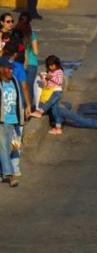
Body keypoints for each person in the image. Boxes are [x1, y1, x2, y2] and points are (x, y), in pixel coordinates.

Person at [0, 56, 25, 187]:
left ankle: (2, 172)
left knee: (9, 148)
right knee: (4, 148)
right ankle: (10, 175)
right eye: (8, 69)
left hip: (12, 120)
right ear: (1, 69)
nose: (11, 71)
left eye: (12, 68)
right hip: (1, 121)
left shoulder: (14, 81)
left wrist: (22, 117)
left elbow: (19, 98)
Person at [29, 55, 64, 135]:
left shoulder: (59, 71)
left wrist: (50, 77)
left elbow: (59, 82)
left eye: (52, 65)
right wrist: (43, 77)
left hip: (56, 91)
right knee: (55, 111)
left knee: (49, 102)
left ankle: (40, 111)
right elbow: (46, 84)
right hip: (50, 92)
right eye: (49, 66)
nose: (51, 67)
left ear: (56, 64)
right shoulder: (50, 72)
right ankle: (58, 128)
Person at [15, 12, 38, 110]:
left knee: (20, 88)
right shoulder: (32, 34)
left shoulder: (15, 33)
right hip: (32, 64)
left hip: (19, 63)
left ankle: (20, 109)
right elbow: (36, 52)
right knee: (29, 88)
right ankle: (28, 111)